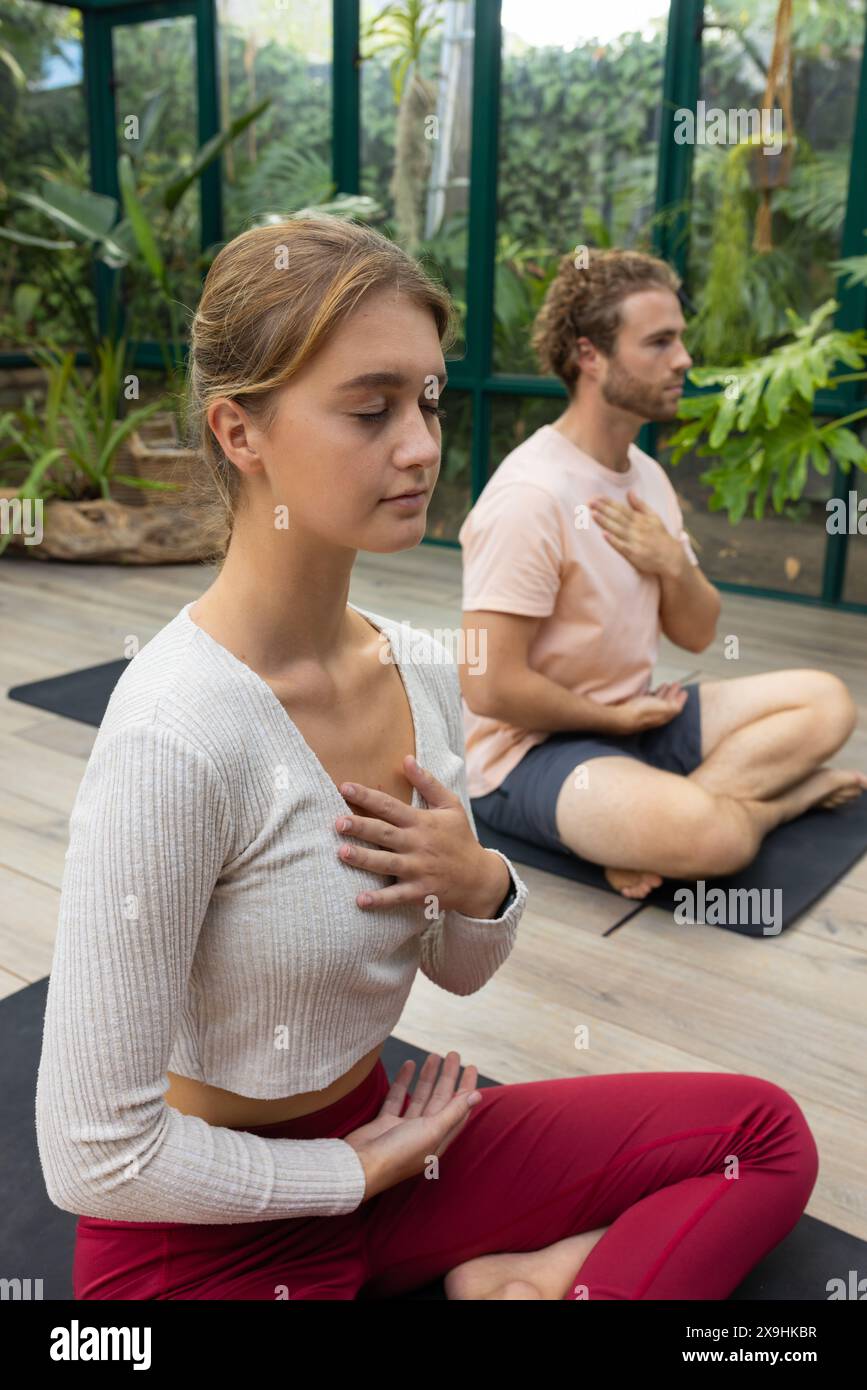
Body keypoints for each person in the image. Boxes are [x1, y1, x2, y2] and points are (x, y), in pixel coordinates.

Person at [36, 217, 818, 1300]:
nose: (420, 444)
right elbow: (94, 1155)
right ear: (239, 432)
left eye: (429, 402)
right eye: (371, 409)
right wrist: (344, 1172)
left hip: (391, 1143)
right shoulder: (173, 733)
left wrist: (483, 883)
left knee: (761, 1135)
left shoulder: (419, 668)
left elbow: (455, 966)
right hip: (206, 1223)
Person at [460, 248, 865, 899]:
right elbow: (488, 688)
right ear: (589, 355)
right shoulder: (529, 497)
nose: (683, 359)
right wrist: (612, 721)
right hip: (531, 753)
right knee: (716, 841)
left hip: (639, 715)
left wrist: (672, 564)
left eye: (679, 338)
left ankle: (653, 823)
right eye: (659, 342)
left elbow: (697, 633)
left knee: (826, 702)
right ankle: (768, 806)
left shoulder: (644, 475)